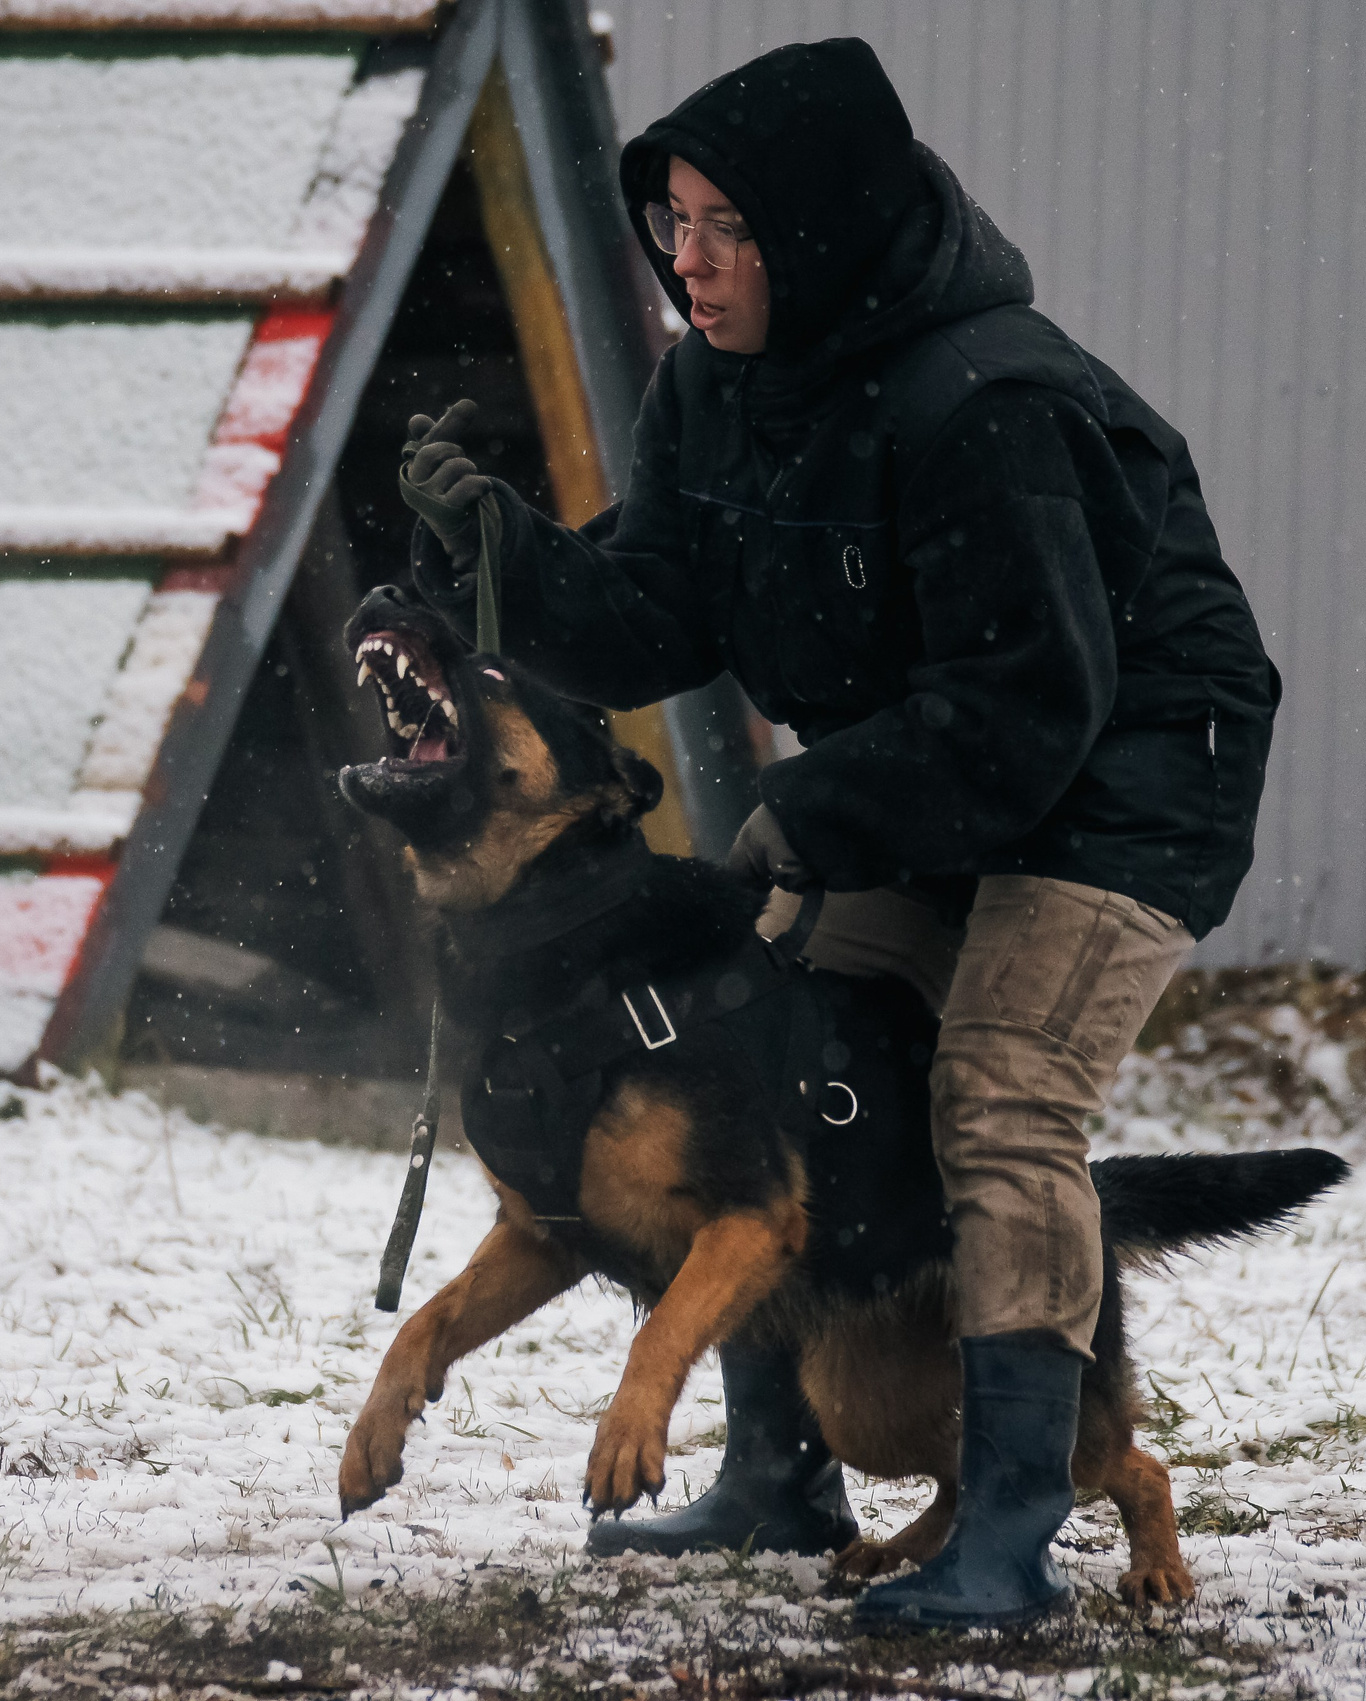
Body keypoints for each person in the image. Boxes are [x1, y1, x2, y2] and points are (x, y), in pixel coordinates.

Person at [395, 39, 1279, 1628]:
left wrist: (803, 807)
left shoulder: (988, 402)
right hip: (930, 770)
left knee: (999, 1102)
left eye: (725, 226)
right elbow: (660, 606)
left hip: (1127, 773)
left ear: (819, 227)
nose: (689, 260)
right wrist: (509, 559)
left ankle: (1006, 1528)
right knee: (772, 1044)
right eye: (671, 220)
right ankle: (779, 1474)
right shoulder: (716, 384)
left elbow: (1030, 708)